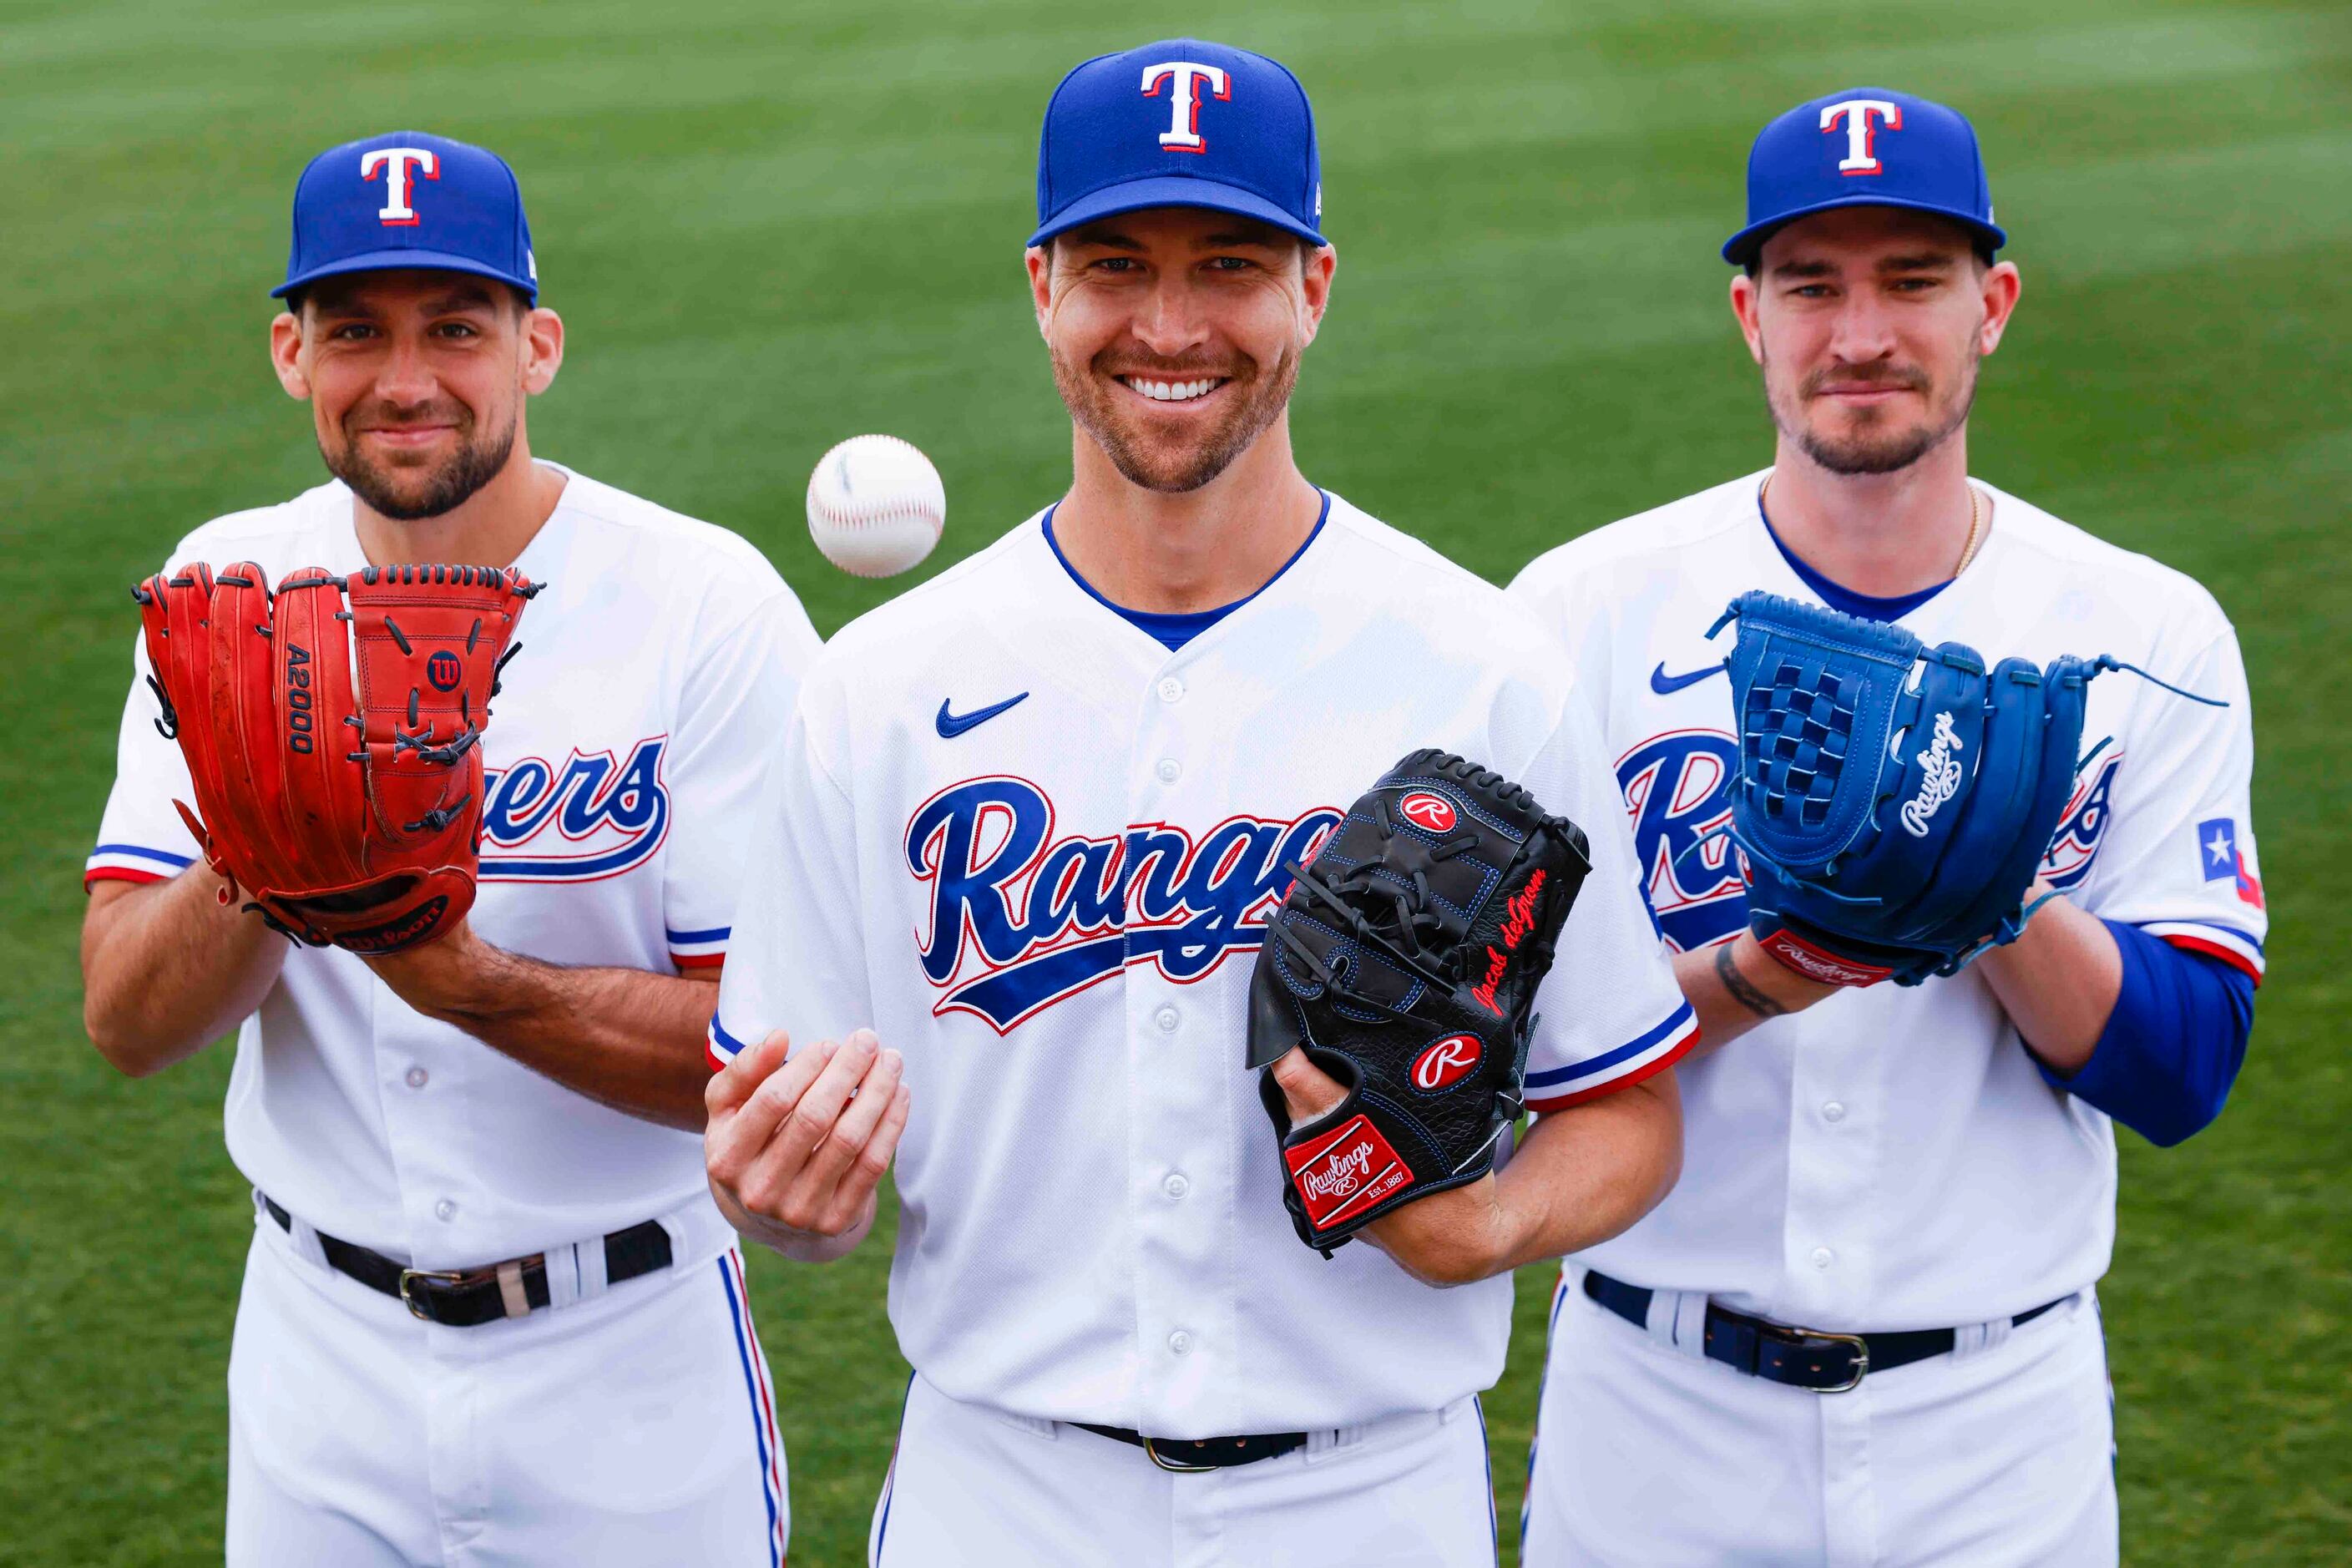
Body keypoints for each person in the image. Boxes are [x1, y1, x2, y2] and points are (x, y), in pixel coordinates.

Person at [700, 41, 1697, 1566]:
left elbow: (1624, 1109)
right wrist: (792, 1199)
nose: (1169, 326)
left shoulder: (1485, 667)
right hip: (998, 1490)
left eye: (1227, 264)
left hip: (1367, 1500)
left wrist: (1481, 1222)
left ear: (1314, 285)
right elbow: (789, 1152)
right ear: (1042, 286)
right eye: (1116, 266)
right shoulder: (878, 687)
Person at [1509, 89, 2263, 1565]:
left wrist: (1983, 888)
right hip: (1649, 1420)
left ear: (1992, 305)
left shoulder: (2146, 629)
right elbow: (1497, 1056)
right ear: (1749, 315)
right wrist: (1755, 974)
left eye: (1911, 281)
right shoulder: (1574, 614)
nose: (1860, 334)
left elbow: (2182, 1069)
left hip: (1998, 1435)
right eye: (1813, 286)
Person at [79, 130, 817, 1565]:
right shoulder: (225, 591)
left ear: (536, 346)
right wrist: (260, 861)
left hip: (630, 1374)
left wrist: (465, 976)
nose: (404, 378)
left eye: (455, 328)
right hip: (316, 1364)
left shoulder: (702, 604)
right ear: (291, 354)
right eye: (355, 330)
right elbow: (125, 1020)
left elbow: (765, 1060)